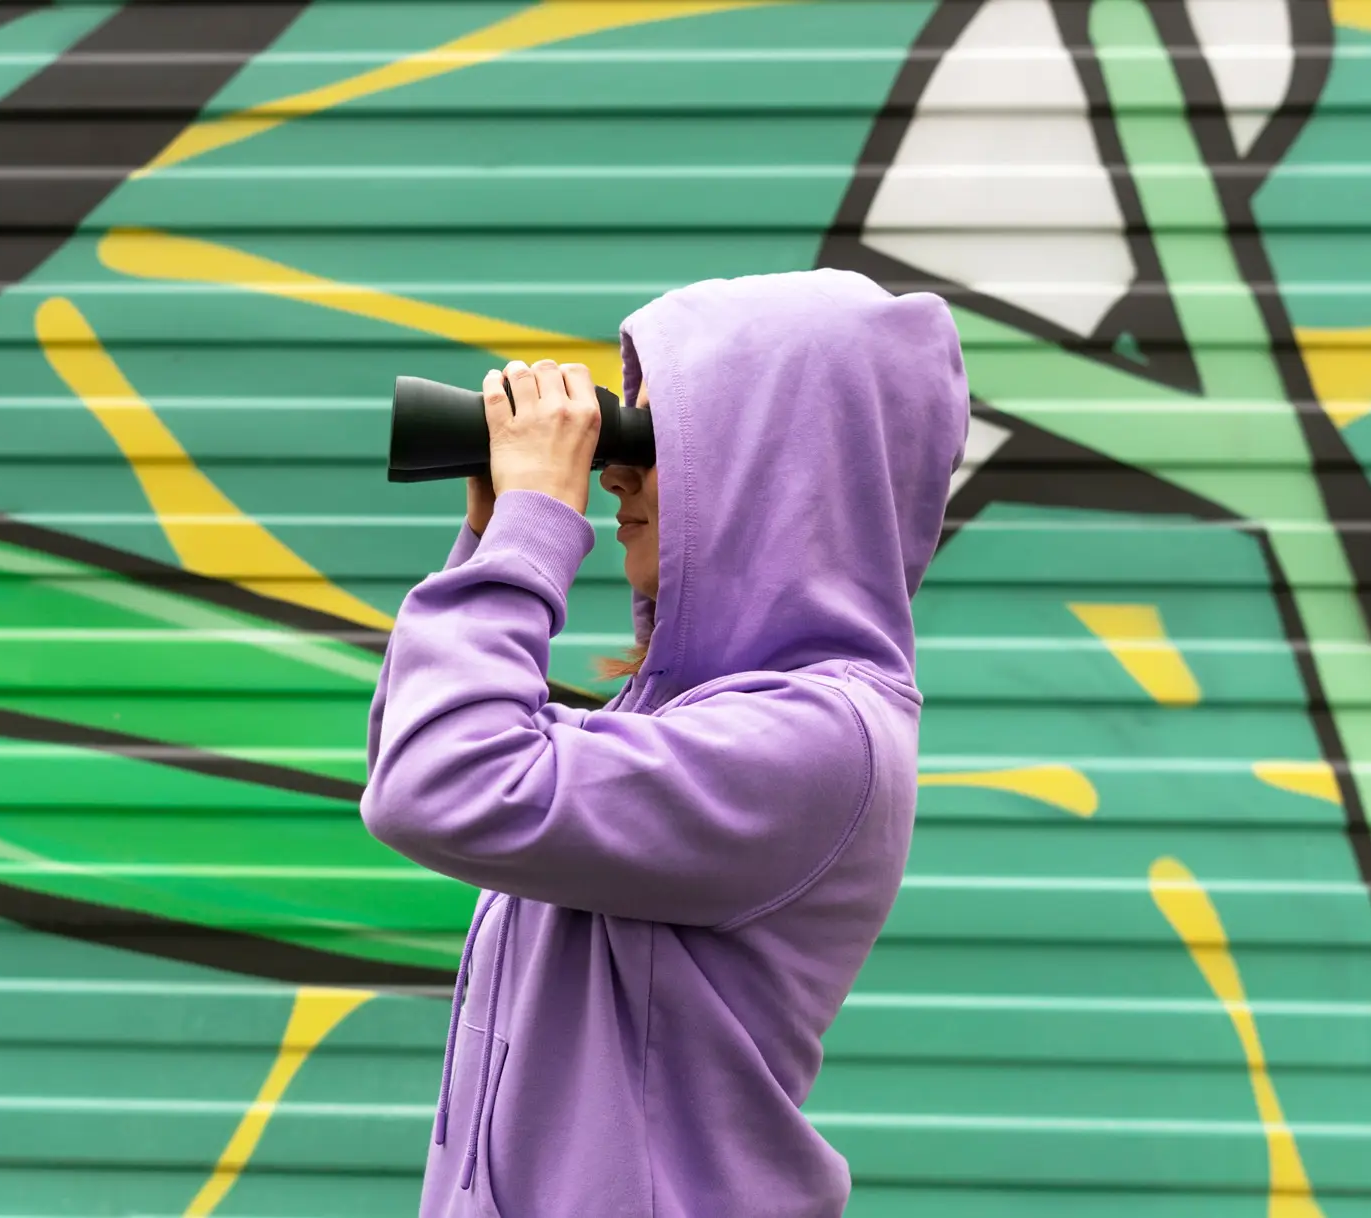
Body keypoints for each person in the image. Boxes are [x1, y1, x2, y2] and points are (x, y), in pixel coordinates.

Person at [361, 268, 970, 1217]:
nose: (613, 473)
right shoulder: (680, 719)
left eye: (659, 443)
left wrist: (533, 528)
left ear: (780, 469)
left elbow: (444, 783)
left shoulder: (819, 744)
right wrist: (488, 538)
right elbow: (414, 750)